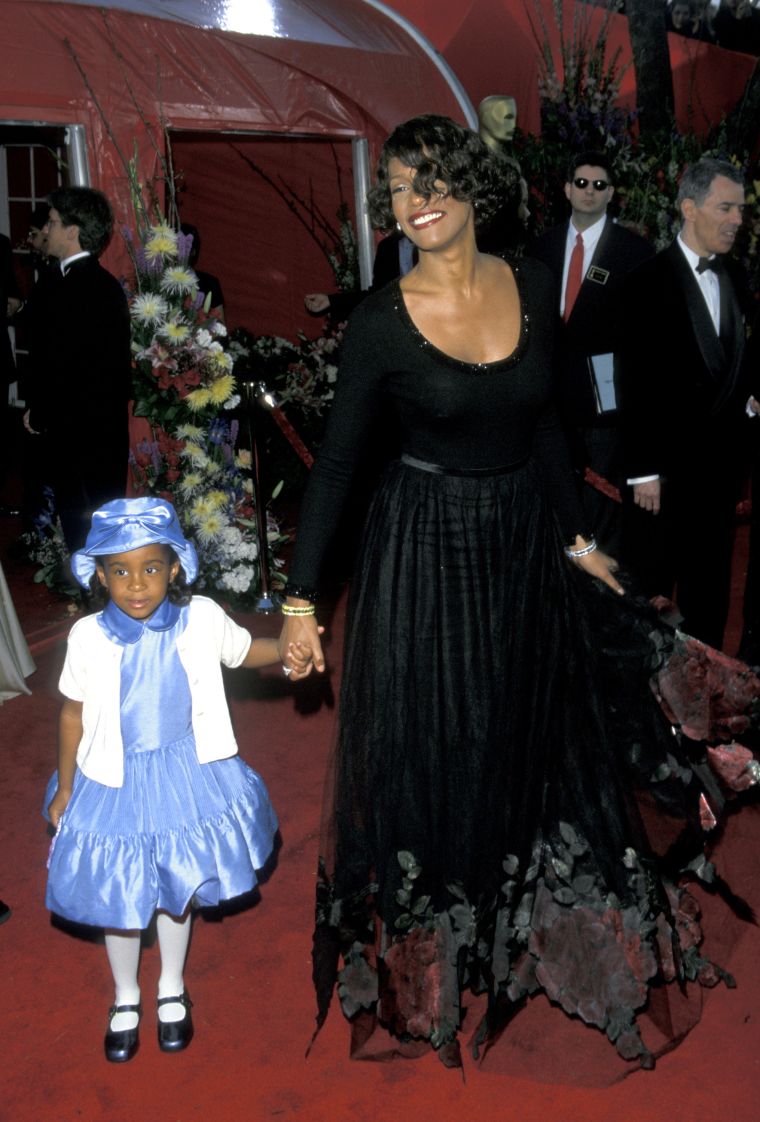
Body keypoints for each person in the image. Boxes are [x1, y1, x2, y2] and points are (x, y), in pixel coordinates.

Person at [278, 115, 758, 1069]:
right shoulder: (380, 323)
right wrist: (299, 603)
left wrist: (577, 539)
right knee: (442, 734)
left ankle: (515, 913)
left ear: (472, 187)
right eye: (399, 188)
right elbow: (334, 468)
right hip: (423, 547)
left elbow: (545, 429)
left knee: (521, 721)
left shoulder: (534, 286)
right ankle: (448, 938)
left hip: (521, 539)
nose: (415, 203)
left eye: (432, 181)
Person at [44, 498, 312, 1062]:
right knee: (118, 893)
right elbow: (72, 714)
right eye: (120, 571)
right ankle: (125, 994)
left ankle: (171, 984)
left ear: (174, 568)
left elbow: (244, 652)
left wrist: (288, 655)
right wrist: (66, 787)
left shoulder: (202, 618)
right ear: (100, 576)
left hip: (185, 773)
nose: (136, 584)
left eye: (150, 567)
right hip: (113, 779)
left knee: (176, 886)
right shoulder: (88, 637)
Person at [620, 157, 751, 649]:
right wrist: (642, 471)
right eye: (726, 208)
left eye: (741, 209)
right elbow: (632, 382)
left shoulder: (735, 276)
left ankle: (705, 692)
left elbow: (734, 363)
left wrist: (750, 401)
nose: (738, 219)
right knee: (650, 598)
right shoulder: (646, 280)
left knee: (709, 597)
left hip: (718, 475)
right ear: (689, 208)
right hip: (662, 479)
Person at [532, 150, 652, 555]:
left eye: (599, 185)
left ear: (611, 193)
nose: (589, 191)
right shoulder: (542, 247)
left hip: (605, 395)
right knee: (553, 498)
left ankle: (602, 583)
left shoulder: (634, 252)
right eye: (581, 183)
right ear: (567, 189)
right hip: (549, 395)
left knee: (602, 499)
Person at [24, 187, 132, 553]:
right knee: (81, 531)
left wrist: (41, 412)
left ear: (73, 231)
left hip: (87, 437)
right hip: (78, 432)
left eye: (53, 222)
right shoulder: (66, 280)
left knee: (90, 534)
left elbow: (69, 366)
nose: (46, 230)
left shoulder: (86, 287)